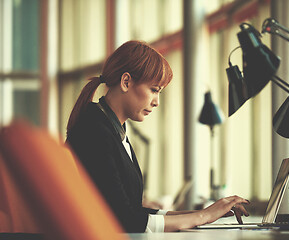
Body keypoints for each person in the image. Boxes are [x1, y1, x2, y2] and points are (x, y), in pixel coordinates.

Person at [65, 40, 250, 233]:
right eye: (154, 90)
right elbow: (123, 219)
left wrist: (200, 215)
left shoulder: (110, 128)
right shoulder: (95, 132)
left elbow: (129, 210)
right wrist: (201, 217)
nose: (157, 102)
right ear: (126, 82)